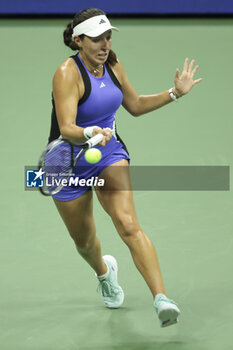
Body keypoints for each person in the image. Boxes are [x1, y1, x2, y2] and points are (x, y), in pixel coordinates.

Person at [48, 8, 202, 327]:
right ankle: (105, 273)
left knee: (128, 223)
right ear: (78, 41)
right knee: (85, 242)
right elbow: (66, 127)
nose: (104, 45)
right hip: (67, 161)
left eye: (107, 37)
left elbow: (134, 105)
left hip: (108, 153)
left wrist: (174, 93)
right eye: (96, 39)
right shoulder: (67, 73)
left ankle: (162, 299)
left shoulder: (114, 64)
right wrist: (91, 132)